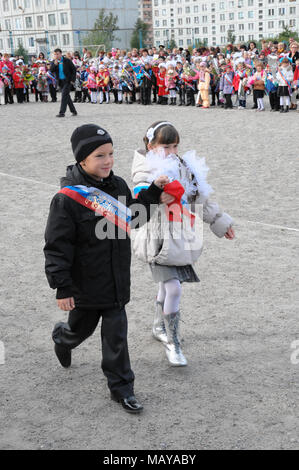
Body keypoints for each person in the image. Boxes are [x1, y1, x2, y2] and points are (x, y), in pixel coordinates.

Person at [44, 124, 169, 413]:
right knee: (79, 331)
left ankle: (122, 388)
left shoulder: (119, 186)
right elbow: (57, 246)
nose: (108, 161)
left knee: (116, 338)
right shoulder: (67, 199)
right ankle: (62, 338)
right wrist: (62, 286)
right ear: (82, 160)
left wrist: (153, 193)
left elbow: (133, 219)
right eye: (100, 156)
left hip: (115, 282)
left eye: (111, 154)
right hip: (85, 287)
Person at [131, 121, 235, 366]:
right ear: (150, 145)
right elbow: (140, 192)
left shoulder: (184, 165)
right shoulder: (145, 168)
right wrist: (155, 193)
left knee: (168, 287)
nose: (172, 151)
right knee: (174, 287)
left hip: (181, 235)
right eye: (166, 146)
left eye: (175, 145)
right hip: (157, 238)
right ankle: (173, 343)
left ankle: (159, 326)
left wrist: (220, 222)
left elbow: (201, 197)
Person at [50, 48, 77, 117]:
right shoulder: (54, 62)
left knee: (64, 95)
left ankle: (62, 112)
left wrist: (72, 80)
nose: (56, 55)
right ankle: (73, 111)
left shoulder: (67, 60)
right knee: (67, 96)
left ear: (61, 54)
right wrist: (55, 64)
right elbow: (51, 70)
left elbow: (74, 70)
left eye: (57, 54)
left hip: (68, 81)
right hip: (60, 81)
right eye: (55, 54)